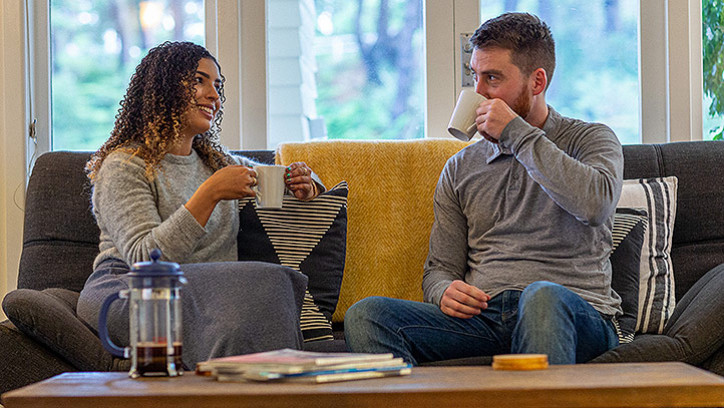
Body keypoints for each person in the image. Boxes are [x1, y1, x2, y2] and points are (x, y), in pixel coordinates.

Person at [345, 12, 624, 365]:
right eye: (475, 76)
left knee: (542, 299)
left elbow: (595, 205)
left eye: (492, 78)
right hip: (486, 317)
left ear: (537, 82)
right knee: (367, 315)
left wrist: (516, 134)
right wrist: (444, 291)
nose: (478, 92)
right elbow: (439, 268)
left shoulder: (590, 139)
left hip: (571, 312)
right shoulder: (461, 167)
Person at [77, 41, 324, 369]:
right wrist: (209, 195)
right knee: (268, 282)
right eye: (199, 81)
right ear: (163, 87)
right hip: (134, 290)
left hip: (213, 294)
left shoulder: (215, 163)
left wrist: (308, 184)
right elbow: (144, 259)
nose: (214, 96)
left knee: (248, 307)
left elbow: (281, 178)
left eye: (217, 85)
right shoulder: (125, 165)